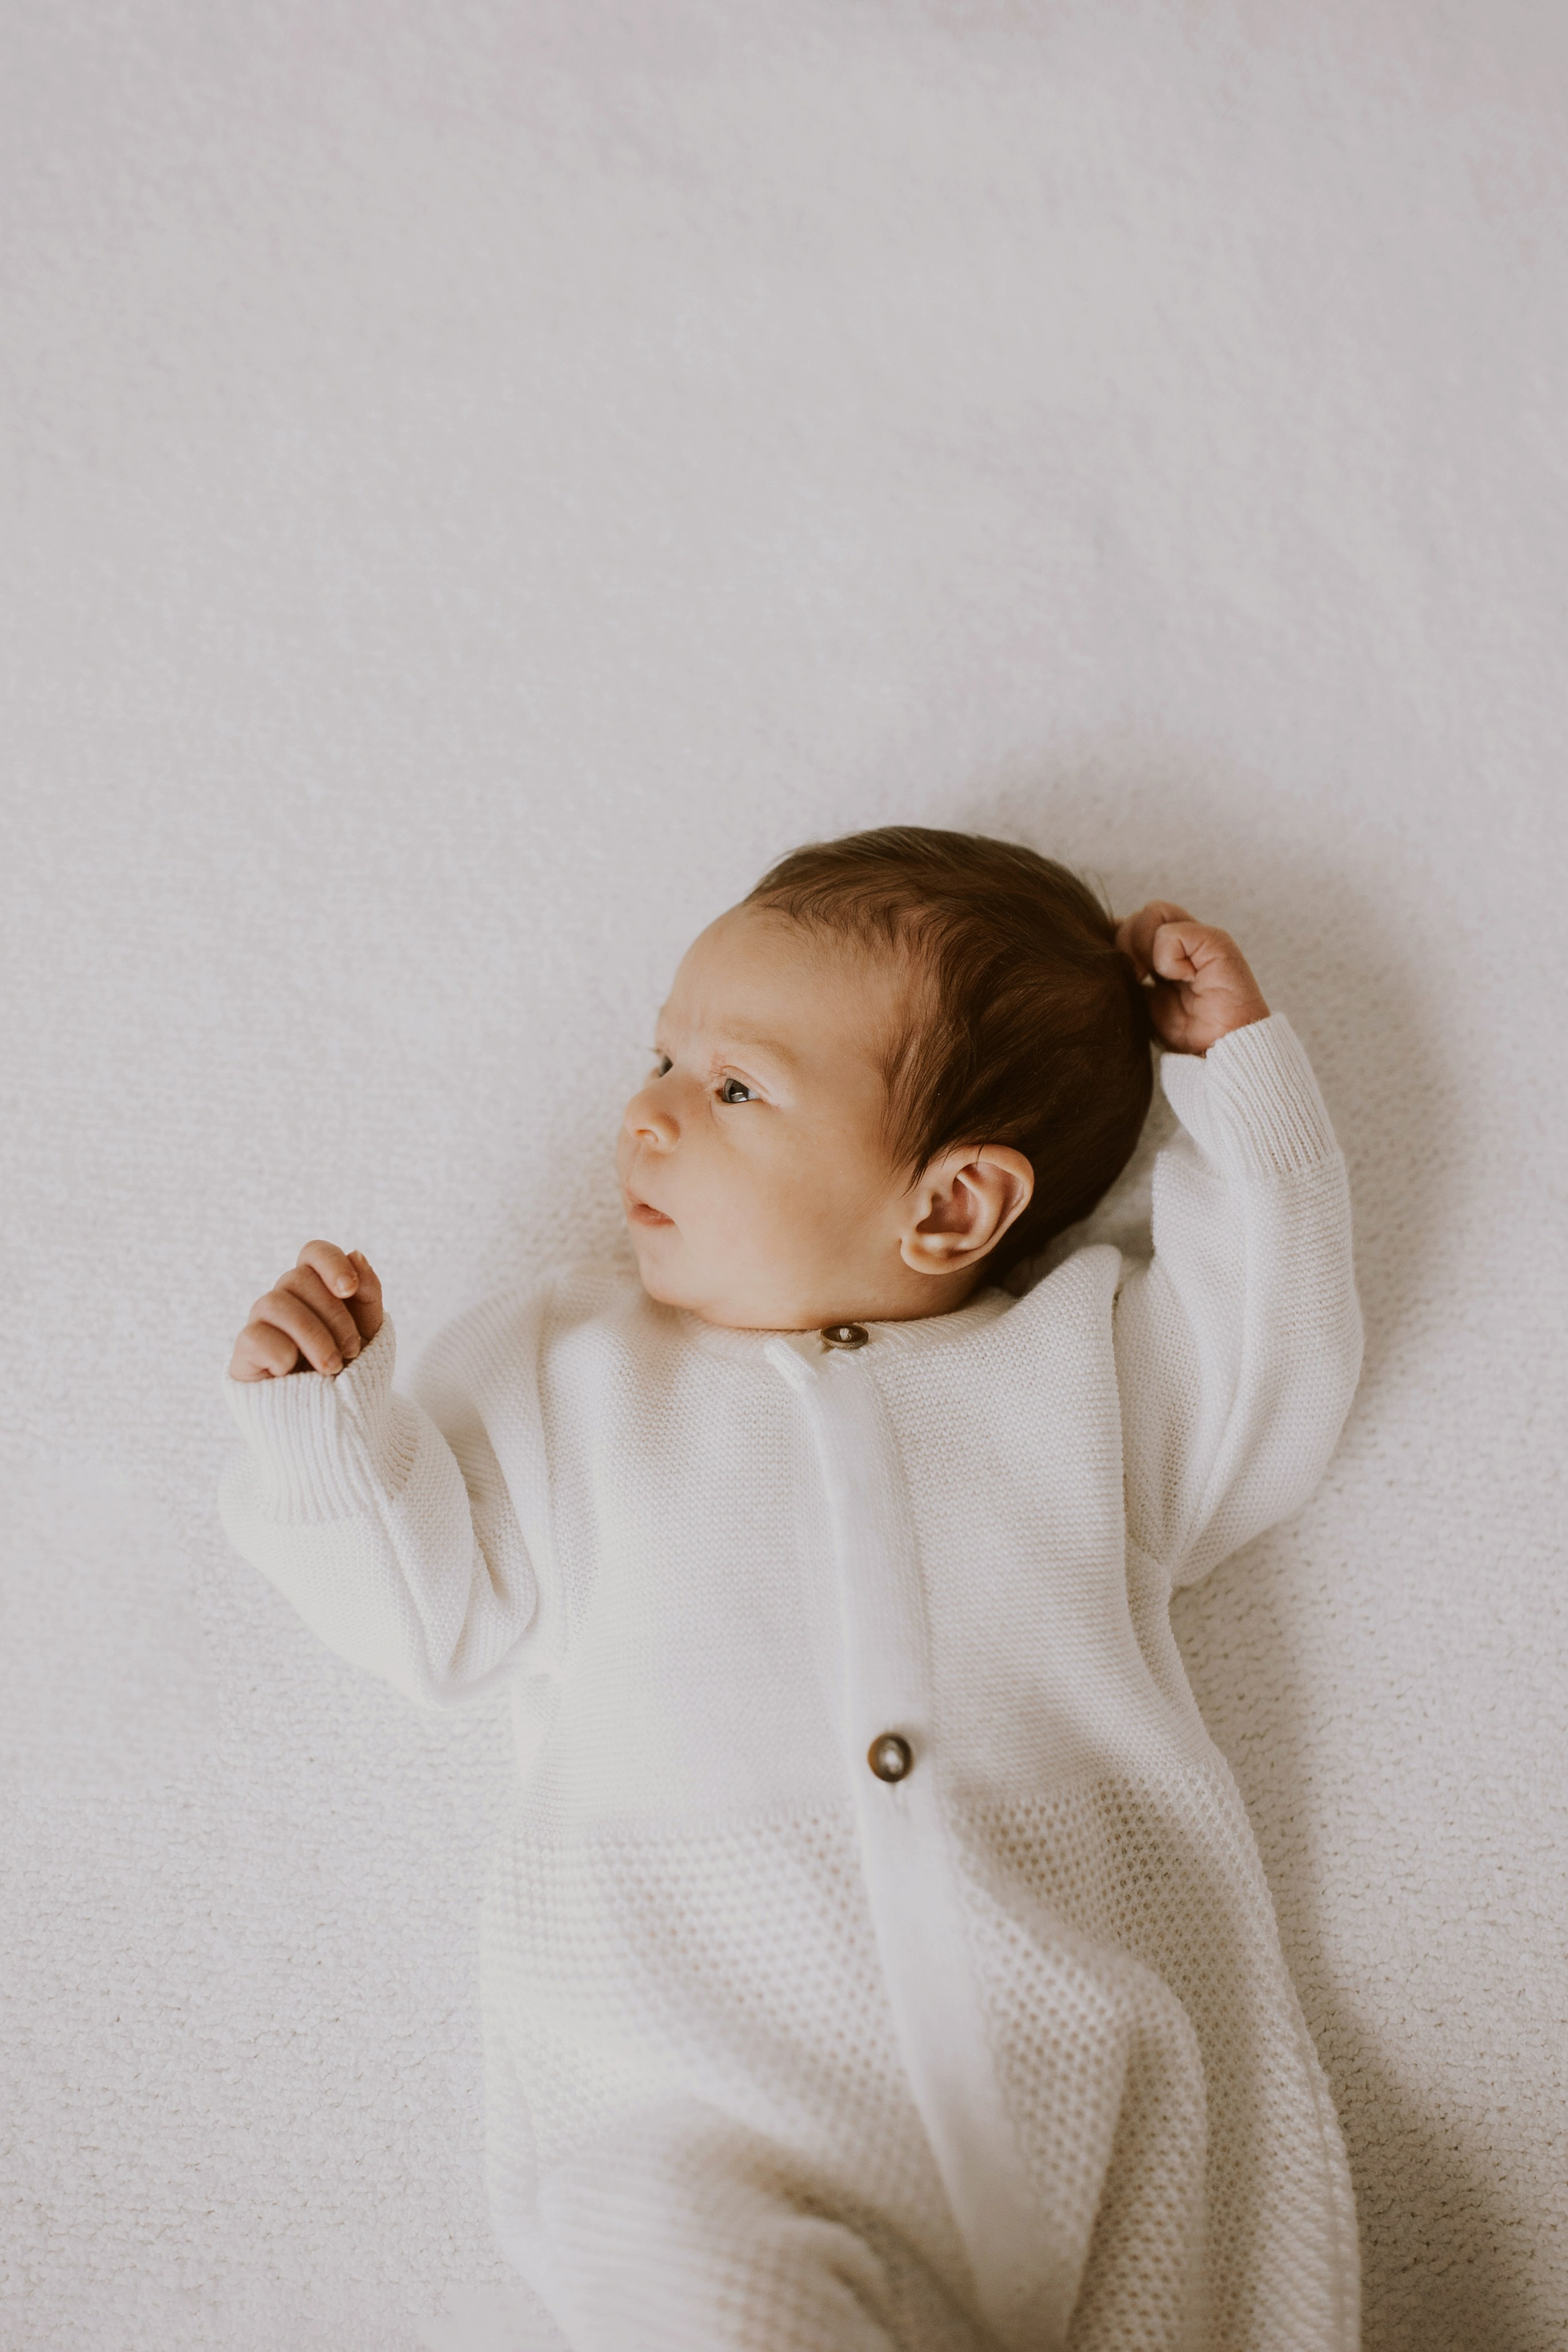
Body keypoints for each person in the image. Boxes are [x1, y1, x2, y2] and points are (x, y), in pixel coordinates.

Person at [218, 826, 1363, 2351]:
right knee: (706, 2284)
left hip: (1092, 2076)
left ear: (952, 1207)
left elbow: (1270, 1357)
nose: (643, 1113)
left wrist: (1239, 1085)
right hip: (715, 2105)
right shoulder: (571, 1373)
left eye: (732, 1087)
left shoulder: (1082, 1369)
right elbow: (429, 1618)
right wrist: (327, 1426)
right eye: (660, 1059)